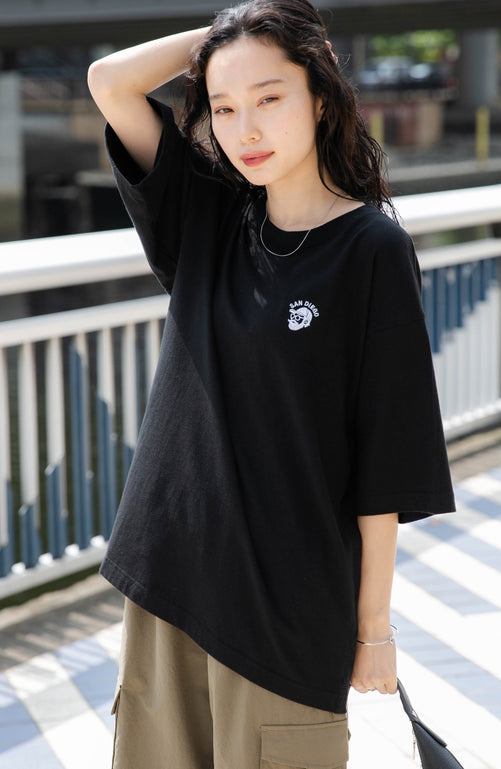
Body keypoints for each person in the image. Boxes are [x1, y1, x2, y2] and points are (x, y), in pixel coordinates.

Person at [87, 1, 455, 767]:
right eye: (223, 108)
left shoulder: (371, 249)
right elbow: (110, 82)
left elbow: (384, 460)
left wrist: (373, 629)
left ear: (320, 96)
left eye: (268, 97)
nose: (244, 128)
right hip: (167, 586)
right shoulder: (206, 216)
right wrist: (230, 35)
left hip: (283, 613)